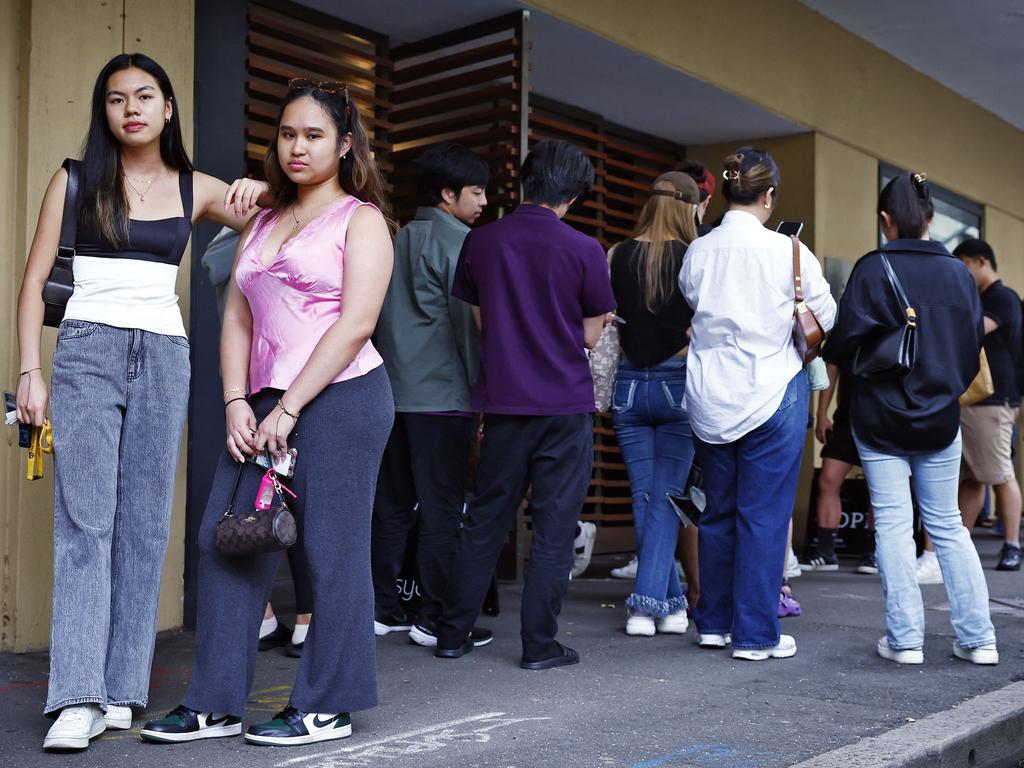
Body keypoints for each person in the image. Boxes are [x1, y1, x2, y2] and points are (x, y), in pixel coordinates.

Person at [15, 53, 266, 751]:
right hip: (89, 350)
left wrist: (252, 193)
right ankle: (78, 696)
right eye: (118, 98)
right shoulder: (73, 180)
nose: (131, 107)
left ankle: (123, 688)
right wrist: (31, 370)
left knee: (146, 524)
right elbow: (35, 283)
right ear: (105, 111)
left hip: (164, 355)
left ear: (168, 109)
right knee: (85, 521)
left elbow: (276, 212)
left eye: (145, 96)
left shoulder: (194, 186)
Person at [141, 78, 395, 745]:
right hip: (262, 402)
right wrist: (234, 402)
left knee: (331, 549)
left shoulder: (361, 219)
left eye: (314, 135)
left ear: (344, 145)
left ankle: (327, 704)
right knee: (227, 541)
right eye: (287, 134)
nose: (297, 147)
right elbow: (237, 318)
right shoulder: (259, 218)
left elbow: (356, 323)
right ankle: (214, 703)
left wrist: (289, 406)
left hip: (343, 398)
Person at [435, 139, 616, 669]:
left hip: (505, 402)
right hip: (564, 406)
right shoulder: (584, 249)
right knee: (556, 528)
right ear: (574, 193)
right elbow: (587, 338)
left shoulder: (482, 242)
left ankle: (451, 633)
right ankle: (539, 645)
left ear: (525, 181)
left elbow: (481, 322)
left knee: (486, 520)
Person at [823, 172, 998, 665]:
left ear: (886, 220)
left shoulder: (872, 269)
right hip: (940, 418)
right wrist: (940, 389)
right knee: (948, 526)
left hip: (879, 418)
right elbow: (970, 355)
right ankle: (979, 638)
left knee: (896, 526)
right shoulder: (961, 275)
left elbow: (842, 345)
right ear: (932, 220)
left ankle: (905, 641)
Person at [678, 148, 836, 661]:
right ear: (768, 196)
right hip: (772, 390)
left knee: (717, 511)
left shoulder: (698, 251)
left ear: (726, 192)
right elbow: (826, 315)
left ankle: (714, 624)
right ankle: (756, 634)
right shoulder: (788, 251)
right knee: (764, 516)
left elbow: (690, 301)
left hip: (710, 397)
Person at [371, 142, 494, 648]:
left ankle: (383, 608)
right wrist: (481, 394)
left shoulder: (389, 239)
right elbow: (468, 329)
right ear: (448, 195)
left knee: (391, 507)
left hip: (385, 392)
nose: (485, 201)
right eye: (477, 191)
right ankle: (435, 618)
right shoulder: (463, 245)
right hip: (443, 397)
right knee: (443, 509)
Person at [609, 171, 699, 637]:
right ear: (687, 207)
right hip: (676, 384)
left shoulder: (616, 254)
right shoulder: (693, 256)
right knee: (667, 498)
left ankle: (670, 602)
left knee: (646, 496)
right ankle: (646, 606)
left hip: (627, 386)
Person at [952, 238, 1021, 571]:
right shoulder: (981, 298)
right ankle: (961, 547)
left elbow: (973, 332)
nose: (961, 272)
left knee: (1000, 474)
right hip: (972, 401)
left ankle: (1012, 544)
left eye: (963, 264)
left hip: (992, 403)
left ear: (982, 261)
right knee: (972, 478)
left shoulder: (1002, 298)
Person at [801, 362, 878, 574]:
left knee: (880, 486)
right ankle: (825, 553)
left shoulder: (900, 326)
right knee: (828, 479)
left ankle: (874, 553)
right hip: (847, 417)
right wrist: (822, 413)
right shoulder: (845, 328)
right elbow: (832, 366)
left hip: (884, 417)